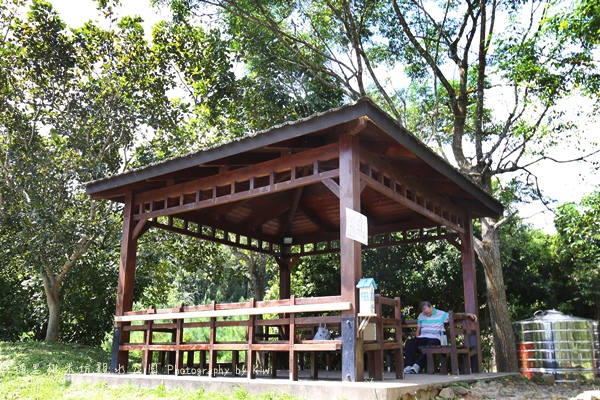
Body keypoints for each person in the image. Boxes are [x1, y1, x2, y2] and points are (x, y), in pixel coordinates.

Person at [404, 301, 477, 374]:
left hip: (435, 337)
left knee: (430, 346)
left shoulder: (441, 314)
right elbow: (418, 330)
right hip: (423, 337)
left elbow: (454, 316)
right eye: (426, 313)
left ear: (431, 307)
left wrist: (468, 314)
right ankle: (409, 366)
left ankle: (417, 366)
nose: (428, 314)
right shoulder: (421, 316)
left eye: (429, 312)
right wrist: (417, 338)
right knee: (409, 343)